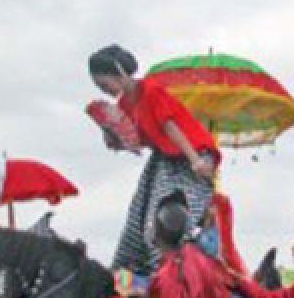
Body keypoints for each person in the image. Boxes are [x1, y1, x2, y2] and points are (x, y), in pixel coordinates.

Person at [89, 45, 220, 278]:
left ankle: (172, 272)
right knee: (139, 211)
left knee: (166, 214)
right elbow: (136, 142)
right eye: (100, 87)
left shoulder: (151, 90)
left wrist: (196, 161)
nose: (104, 90)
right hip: (164, 157)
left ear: (118, 71)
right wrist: (110, 135)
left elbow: (170, 127)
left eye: (104, 84)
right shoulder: (123, 106)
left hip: (188, 152)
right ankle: (132, 269)